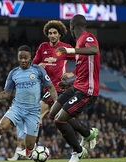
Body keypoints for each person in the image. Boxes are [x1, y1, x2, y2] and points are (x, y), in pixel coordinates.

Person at [0, 45, 57, 162]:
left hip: (34, 111)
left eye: (25, 58)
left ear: (30, 57)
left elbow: (50, 87)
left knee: (29, 145)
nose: (23, 60)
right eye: (20, 58)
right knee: (1, 127)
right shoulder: (13, 73)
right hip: (17, 108)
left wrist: (57, 103)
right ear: (17, 58)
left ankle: (30, 152)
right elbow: (6, 93)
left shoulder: (38, 71)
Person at [32, 20, 98, 149]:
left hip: (58, 87)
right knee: (60, 115)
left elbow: (80, 60)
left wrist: (71, 74)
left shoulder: (65, 47)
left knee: (38, 113)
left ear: (60, 34)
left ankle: (32, 148)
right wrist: (38, 67)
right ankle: (88, 132)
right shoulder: (43, 47)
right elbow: (33, 65)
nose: (52, 35)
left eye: (54, 33)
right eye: (50, 33)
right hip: (47, 87)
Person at [49, 14, 101, 162]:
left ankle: (78, 152)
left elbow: (94, 49)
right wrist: (70, 83)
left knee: (60, 120)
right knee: (53, 114)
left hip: (87, 91)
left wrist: (70, 51)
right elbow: (83, 72)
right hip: (77, 86)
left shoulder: (87, 37)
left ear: (73, 27)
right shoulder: (78, 43)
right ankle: (88, 133)